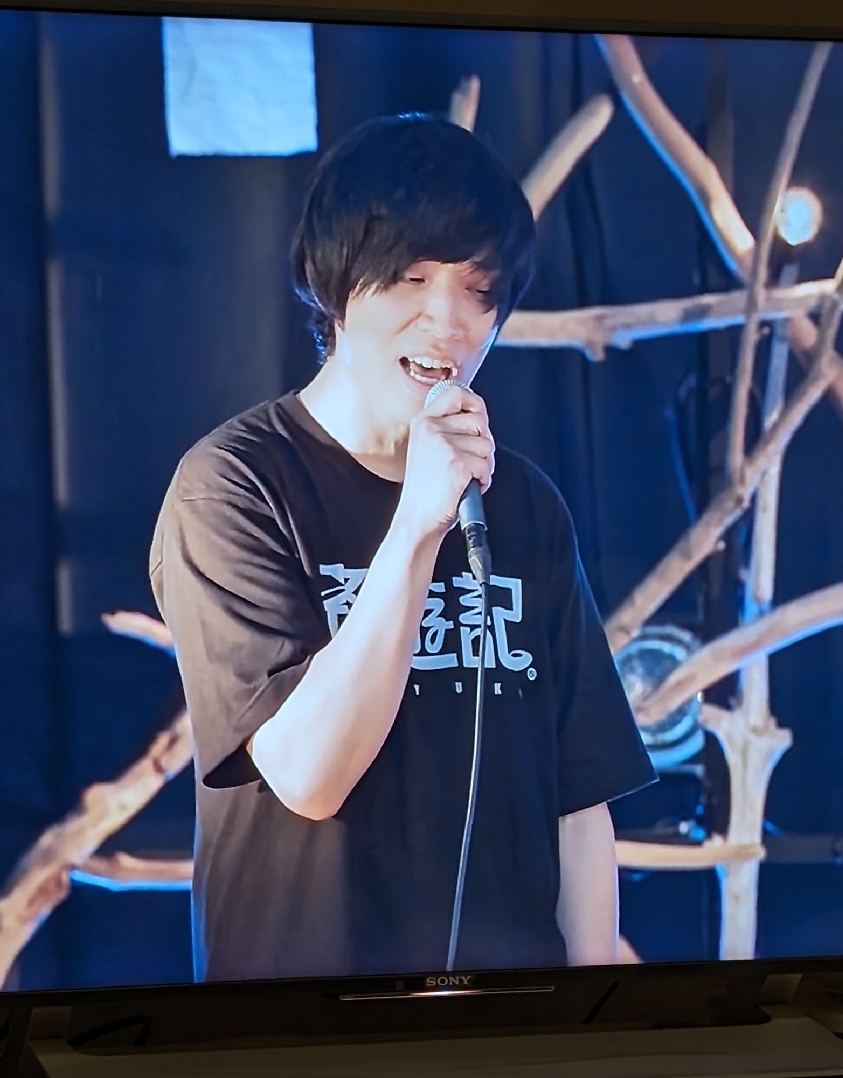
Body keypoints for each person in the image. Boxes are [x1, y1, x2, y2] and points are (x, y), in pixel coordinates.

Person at [150, 113, 654, 983]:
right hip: (309, 1025)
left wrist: (590, 1014)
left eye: (479, 290)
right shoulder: (234, 487)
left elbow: (578, 803)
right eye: (410, 279)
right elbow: (308, 777)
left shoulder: (524, 502)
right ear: (332, 286)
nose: (446, 321)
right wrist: (419, 522)